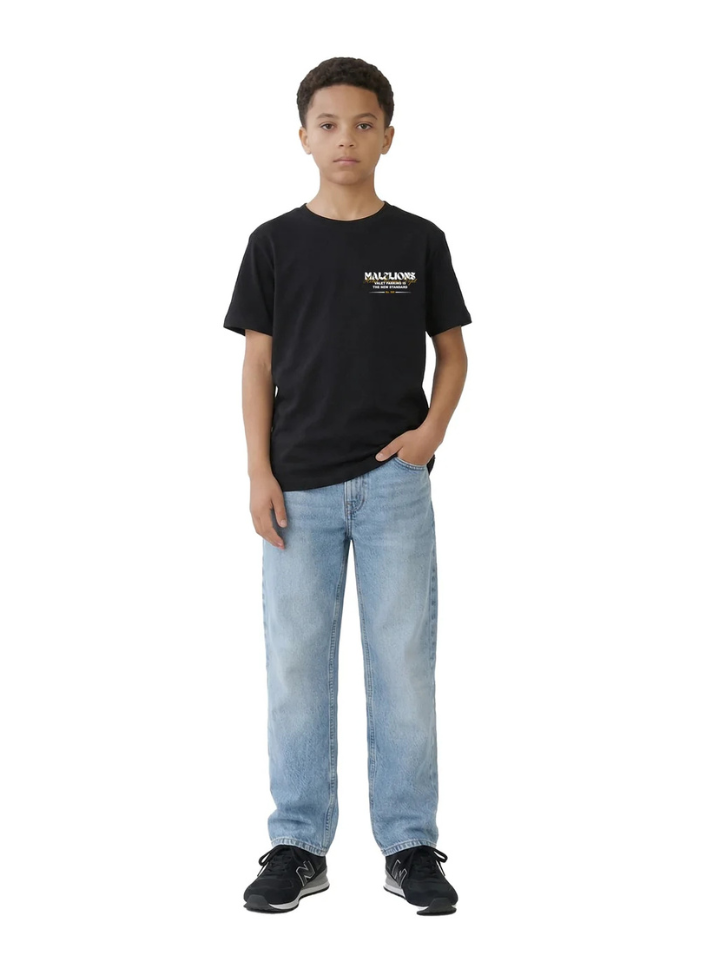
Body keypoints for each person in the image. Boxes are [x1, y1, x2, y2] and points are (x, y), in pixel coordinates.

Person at [223, 56, 472, 916]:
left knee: (403, 662)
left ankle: (409, 844)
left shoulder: (418, 241)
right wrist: (258, 471)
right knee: (297, 664)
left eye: (364, 124)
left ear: (388, 136)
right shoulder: (273, 244)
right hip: (297, 489)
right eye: (328, 125)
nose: (346, 140)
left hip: (395, 485)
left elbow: (454, 353)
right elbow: (256, 366)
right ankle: (298, 842)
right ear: (303, 136)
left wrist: (429, 436)